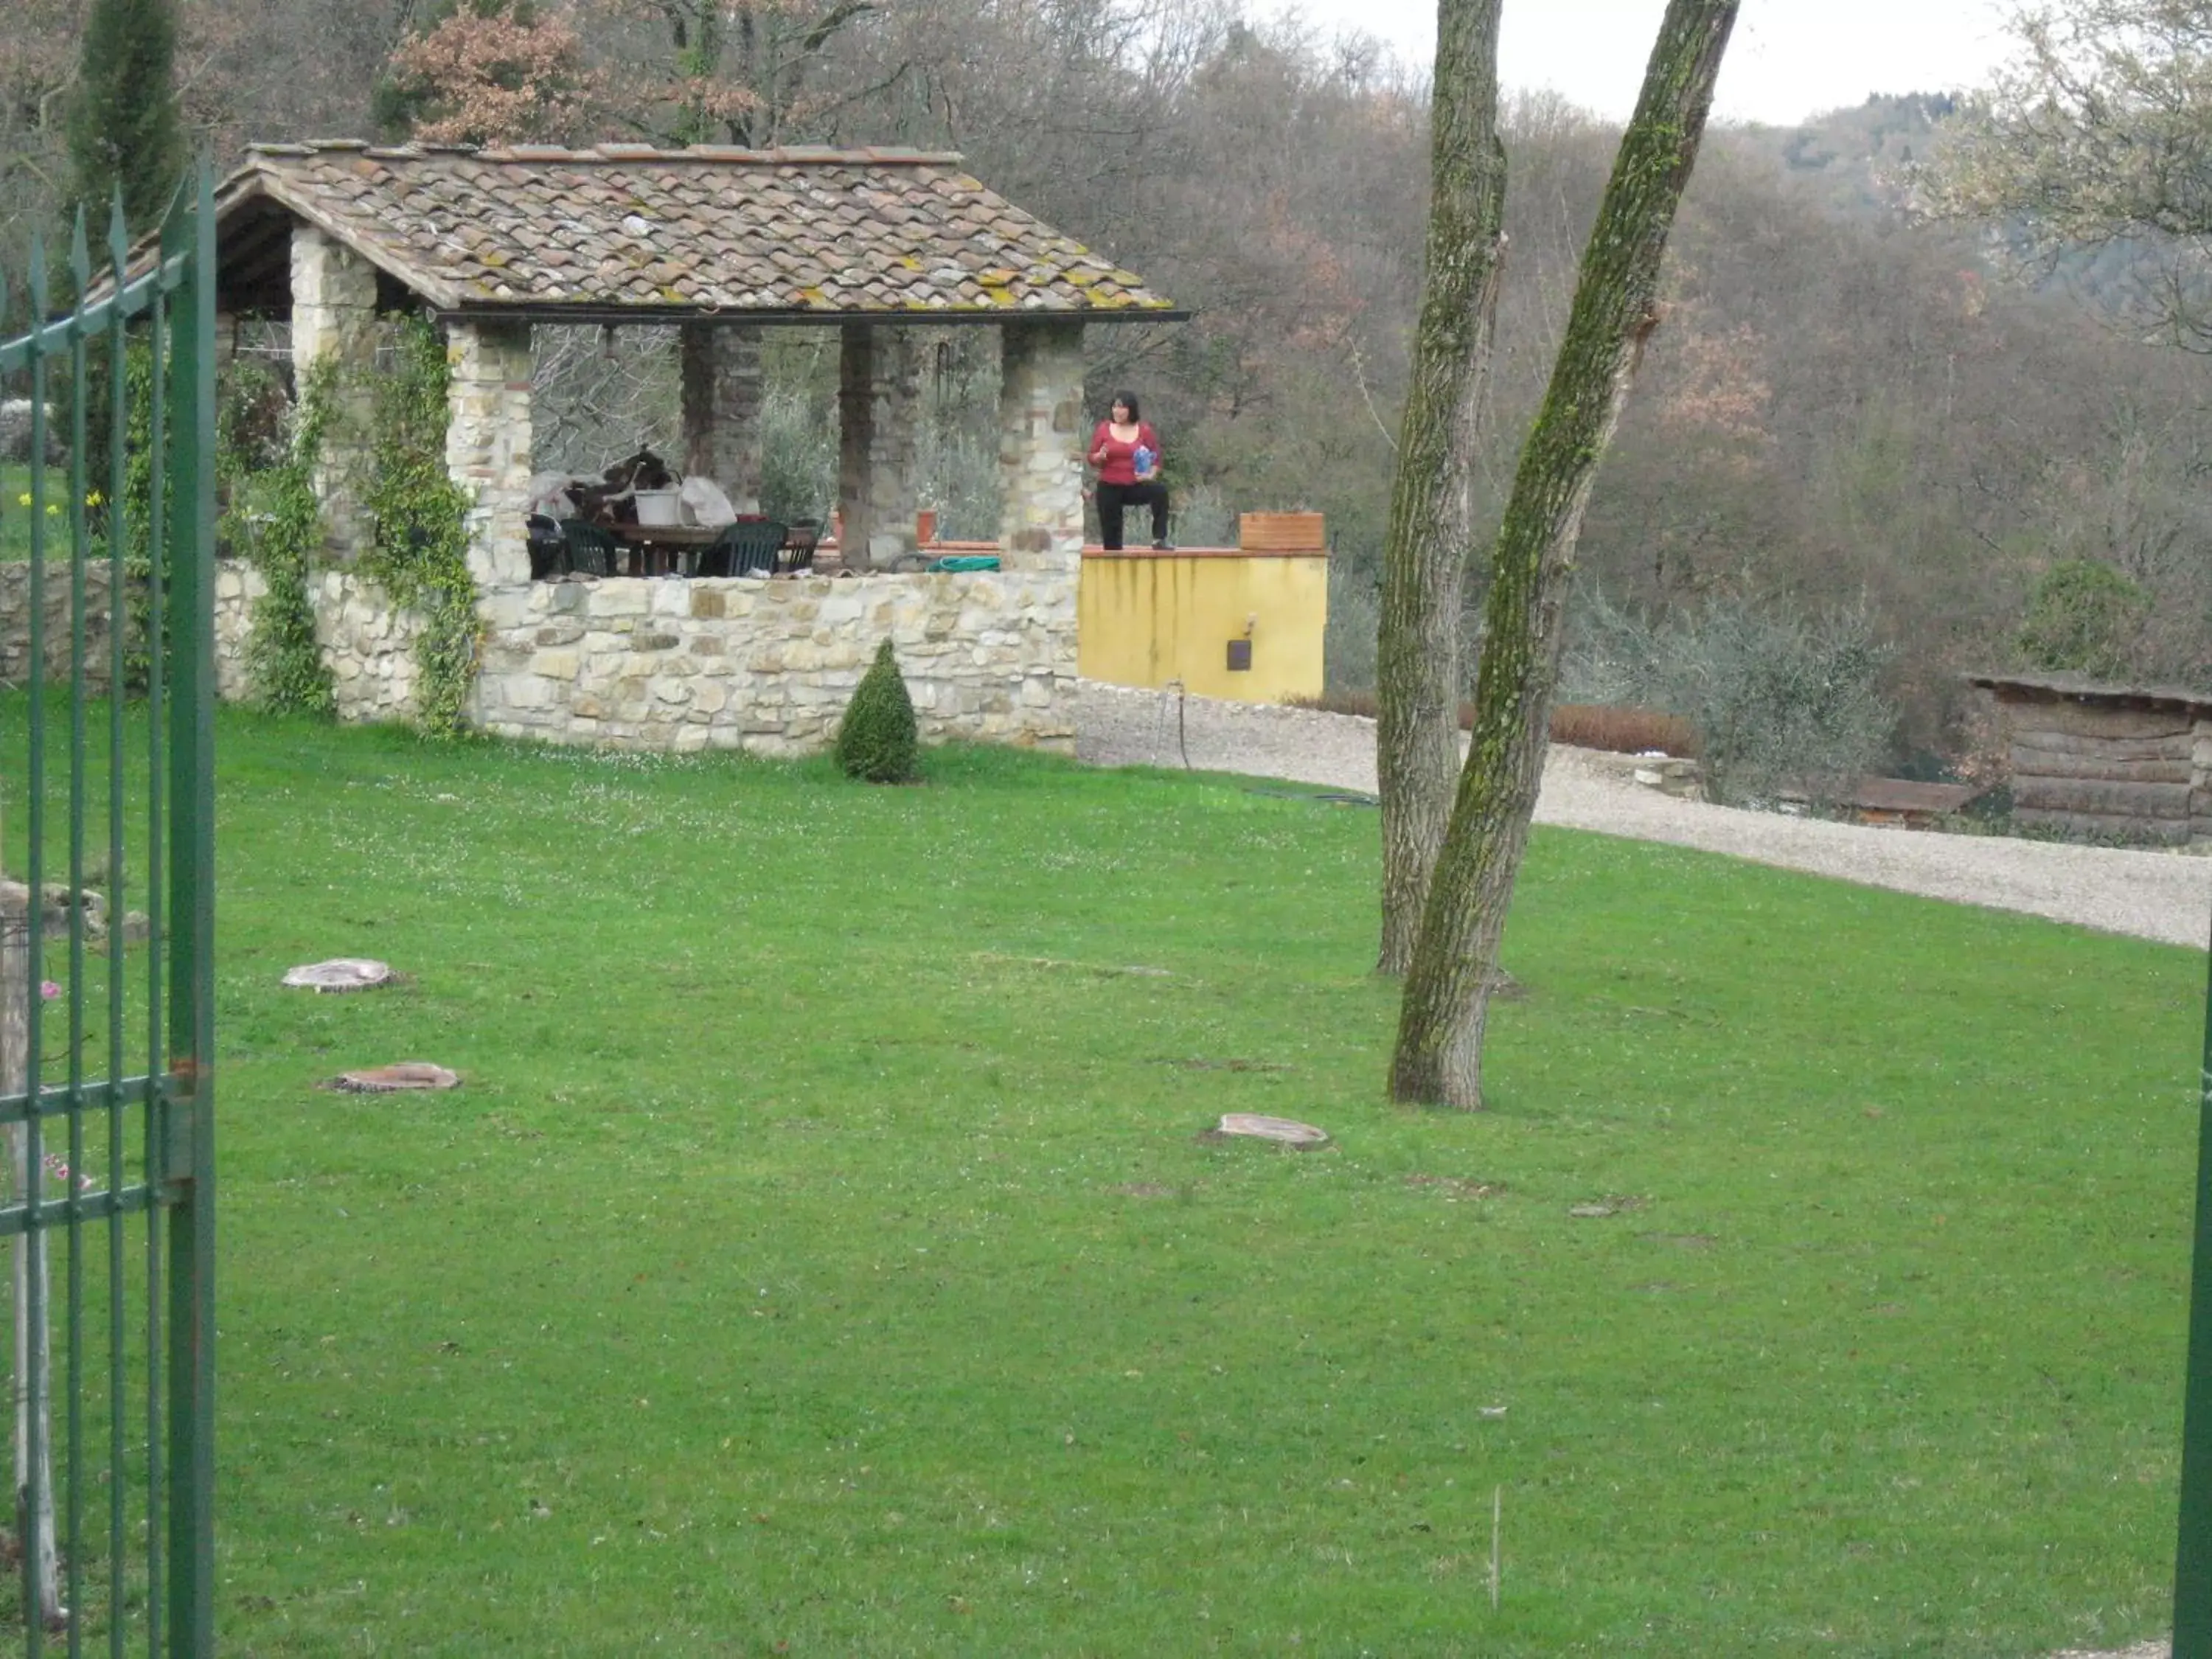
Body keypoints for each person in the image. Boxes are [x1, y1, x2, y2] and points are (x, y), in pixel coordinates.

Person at [1088, 391, 1172, 551]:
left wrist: (1150, 475)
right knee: (1112, 542)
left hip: (1134, 485)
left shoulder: (1144, 430)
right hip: (1109, 486)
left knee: (1160, 492)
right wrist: (1099, 456)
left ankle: (1159, 538)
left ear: (1131, 410)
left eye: (1121, 407)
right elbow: (1092, 458)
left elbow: (1156, 459)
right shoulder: (1104, 429)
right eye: (1114, 407)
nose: (1117, 411)